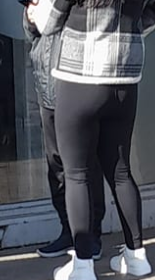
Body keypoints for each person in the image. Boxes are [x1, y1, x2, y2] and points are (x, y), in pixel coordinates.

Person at [29, 0, 155, 280]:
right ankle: (136, 257)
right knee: (121, 172)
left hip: (78, 79)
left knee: (76, 174)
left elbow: (50, 23)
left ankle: (82, 266)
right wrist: (133, 29)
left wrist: (35, 13)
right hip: (124, 80)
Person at [23, 6, 105, 260]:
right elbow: (32, 34)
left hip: (76, 86)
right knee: (56, 163)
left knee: (85, 164)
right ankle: (68, 230)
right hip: (46, 85)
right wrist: (30, 17)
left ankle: (91, 235)